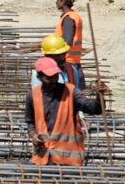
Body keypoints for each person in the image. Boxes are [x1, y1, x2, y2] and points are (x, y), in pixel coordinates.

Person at [29, 36, 85, 167]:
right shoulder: (39, 74)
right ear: (48, 56)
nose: (62, 57)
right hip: (49, 122)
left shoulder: (71, 70)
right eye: (58, 55)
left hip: (68, 123)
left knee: (69, 157)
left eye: (63, 54)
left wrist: (81, 117)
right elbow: (40, 101)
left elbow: (77, 96)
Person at [53, 0, 91, 94]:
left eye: (58, 0)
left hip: (68, 62)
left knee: (68, 93)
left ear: (63, 1)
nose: (57, 2)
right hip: (73, 61)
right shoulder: (74, 16)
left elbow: (67, 41)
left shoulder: (69, 18)